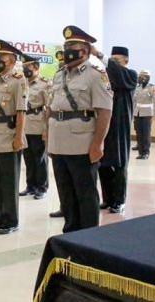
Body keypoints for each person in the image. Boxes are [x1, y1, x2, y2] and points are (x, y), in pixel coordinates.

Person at [46, 26, 112, 233]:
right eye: (65, 46)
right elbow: (52, 108)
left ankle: (89, 237)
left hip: (82, 145)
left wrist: (98, 143)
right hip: (58, 143)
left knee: (85, 193)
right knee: (65, 193)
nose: (67, 50)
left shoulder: (96, 75)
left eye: (71, 46)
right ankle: (70, 234)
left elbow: (104, 112)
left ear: (84, 50)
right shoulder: (59, 75)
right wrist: (48, 139)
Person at [0, 40, 27, 235]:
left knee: (9, 183)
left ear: (12, 60)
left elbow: (21, 112)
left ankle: (11, 220)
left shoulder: (19, 81)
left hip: (9, 137)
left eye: (1, 57)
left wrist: (18, 137)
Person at [93, 46, 137, 214]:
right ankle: (107, 198)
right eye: (111, 60)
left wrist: (100, 55)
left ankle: (119, 200)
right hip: (103, 124)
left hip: (120, 124)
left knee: (120, 164)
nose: (112, 64)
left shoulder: (130, 75)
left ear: (126, 61)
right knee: (102, 162)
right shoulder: (104, 77)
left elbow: (118, 74)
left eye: (116, 60)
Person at [18, 53, 50, 200]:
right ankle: (30, 186)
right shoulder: (22, 83)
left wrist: (46, 128)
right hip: (25, 125)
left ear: (36, 67)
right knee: (28, 158)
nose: (25, 69)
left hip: (38, 125)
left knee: (40, 158)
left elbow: (49, 108)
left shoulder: (44, 84)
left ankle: (42, 187)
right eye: (24, 66)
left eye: (28, 66)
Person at [132, 70, 155, 159]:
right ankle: (140, 152)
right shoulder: (137, 88)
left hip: (147, 114)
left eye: (142, 76)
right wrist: (133, 113)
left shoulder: (152, 87)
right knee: (139, 133)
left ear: (146, 77)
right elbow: (134, 101)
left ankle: (146, 152)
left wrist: (154, 114)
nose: (140, 78)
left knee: (146, 134)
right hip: (137, 113)